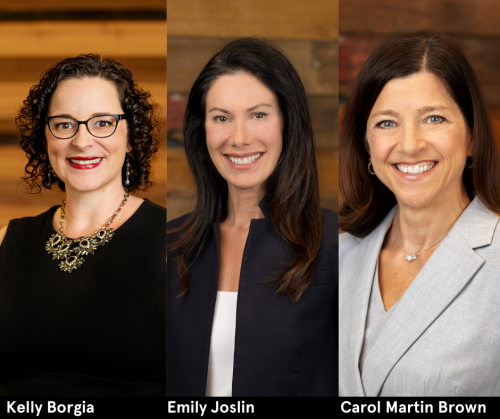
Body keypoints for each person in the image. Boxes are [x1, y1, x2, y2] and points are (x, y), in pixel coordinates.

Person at [167, 38, 338, 397]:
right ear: (203, 131)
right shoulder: (167, 244)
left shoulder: (339, 244)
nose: (239, 137)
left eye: (258, 115)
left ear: (287, 123)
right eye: (221, 118)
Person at [339, 35, 500, 396]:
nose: (410, 144)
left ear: (472, 137)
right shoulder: (341, 256)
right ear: (366, 144)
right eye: (386, 123)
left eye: (434, 118)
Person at [0, 54, 166, 396]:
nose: (81, 140)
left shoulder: (178, 244)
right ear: (46, 140)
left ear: (131, 135)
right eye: (64, 124)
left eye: (102, 123)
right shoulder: (5, 241)